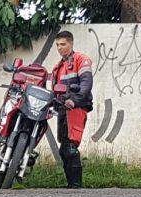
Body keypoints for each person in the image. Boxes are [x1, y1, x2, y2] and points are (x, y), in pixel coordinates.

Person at [51, 30, 93, 188]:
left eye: (63, 44)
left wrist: (74, 101)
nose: (60, 48)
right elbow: (55, 90)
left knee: (71, 147)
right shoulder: (58, 67)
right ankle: (71, 185)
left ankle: (76, 185)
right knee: (63, 148)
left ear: (71, 43)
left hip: (76, 106)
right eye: (57, 45)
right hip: (62, 108)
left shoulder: (81, 59)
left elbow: (86, 84)